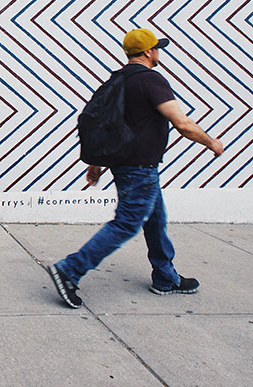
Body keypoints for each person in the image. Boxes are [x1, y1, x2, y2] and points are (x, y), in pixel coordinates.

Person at [48, 28, 224, 309]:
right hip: (139, 168)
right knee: (127, 223)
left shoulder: (117, 80)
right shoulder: (151, 81)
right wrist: (210, 142)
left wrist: (97, 164)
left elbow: (110, 125)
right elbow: (182, 123)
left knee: (155, 220)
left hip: (128, 165)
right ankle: (70, 270)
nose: (158, 53)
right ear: (147, 52)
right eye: (157, 48)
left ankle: (165, 277)